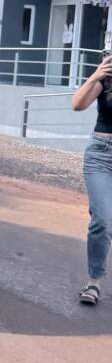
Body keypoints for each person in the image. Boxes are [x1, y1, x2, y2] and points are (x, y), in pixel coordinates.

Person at [71, 47, 112, 305]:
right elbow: (78, 105)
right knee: (102, 219)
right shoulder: (105, 80)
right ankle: (94, 282)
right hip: (101, 154)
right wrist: (94, 75)